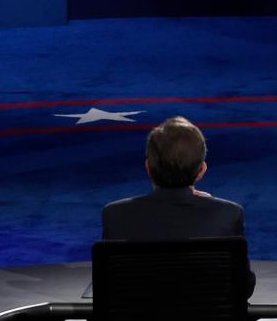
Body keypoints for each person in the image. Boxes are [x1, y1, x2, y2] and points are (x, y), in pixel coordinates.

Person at [102, 116, 255, 296]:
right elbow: (244, 287)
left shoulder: (115, 214)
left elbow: (109, 287)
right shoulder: (228, 214)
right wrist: (212, 206)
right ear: (201, 171)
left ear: (148, 168)